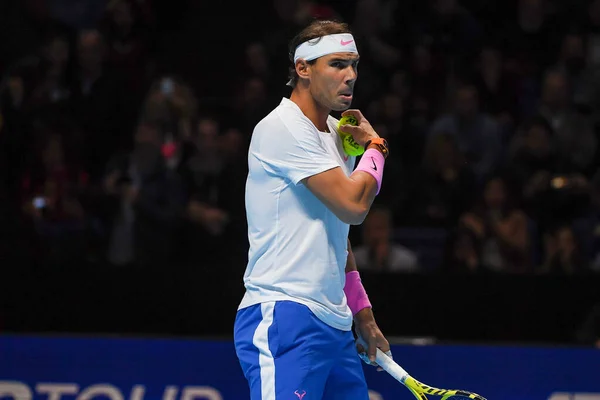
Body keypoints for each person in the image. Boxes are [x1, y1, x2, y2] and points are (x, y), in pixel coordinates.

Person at [233, 19, 391, 400]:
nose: (350, 75)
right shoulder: (282, 127)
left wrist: (363, 316)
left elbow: (338, 235)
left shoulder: (338, 135)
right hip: (285, 316)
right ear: (303, 69)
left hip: (335, 326)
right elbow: (354, 207)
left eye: (354, 64)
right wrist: (377, 148)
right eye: (337, 64)